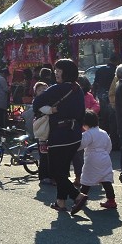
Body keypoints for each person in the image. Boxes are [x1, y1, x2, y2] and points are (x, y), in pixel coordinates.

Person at [33, 58, 85, 213]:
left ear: (66, 72)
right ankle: (60, 202)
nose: (56, 72)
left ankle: (77, 196)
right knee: (62, 171)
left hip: (59, 136)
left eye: (59, 70)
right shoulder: (78, 89)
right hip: (75, 135)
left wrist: (50, 110)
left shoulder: (57, 89)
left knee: (56, 172)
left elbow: (37, 103)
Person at [71, 108, 117, 213]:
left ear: (85, 123)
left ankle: (80, 198)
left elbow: (81, 145)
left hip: (92, 158)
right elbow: (109, 146)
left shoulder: (88, 134)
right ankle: (111, 200)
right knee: (106, 180)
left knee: (87, 179)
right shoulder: (104, 132)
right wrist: (104, 154)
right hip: (105, 157)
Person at [94, 53, 120, 147]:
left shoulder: (101, 69)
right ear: (117, 61)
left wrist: (94, 95)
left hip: (101, 96)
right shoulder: (116, 71)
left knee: (104, 119)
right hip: (112, 96)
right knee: (113, 120)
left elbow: (95, 84)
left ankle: (103, 141)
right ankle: (114, 142)